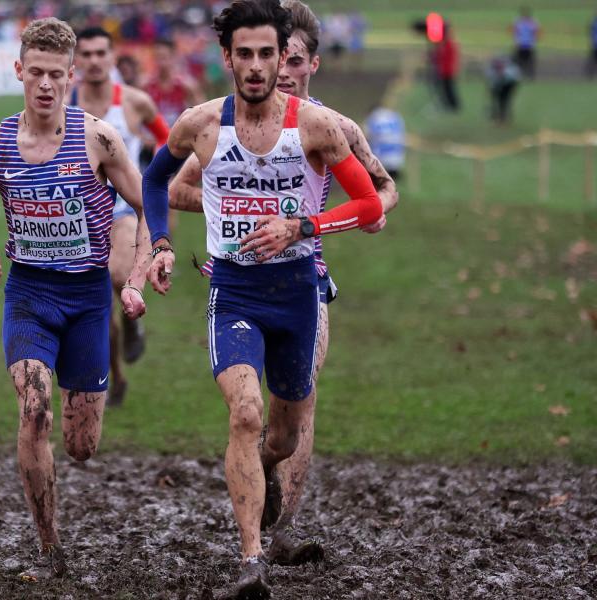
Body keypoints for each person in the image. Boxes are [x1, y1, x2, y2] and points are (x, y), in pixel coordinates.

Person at [142, 1, 385, 596]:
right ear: (226, 58)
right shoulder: (200, 124)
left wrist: (302, 226)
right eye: (244, 54)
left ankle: (266, 473)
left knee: (283, 436)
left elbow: (370, 205)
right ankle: (251, 563)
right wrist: (163, 244)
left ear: (284, 59)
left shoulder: (316, 129)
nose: (255, 66)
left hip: (298, 292)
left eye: (266, 55)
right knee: (245, 413)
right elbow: (153, 181)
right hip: (235, 291)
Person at [0, 17, 151, 581]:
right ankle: (48, 545)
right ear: (19, 71)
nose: (44, 85)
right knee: (33, 414)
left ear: (71, 76)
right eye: (34, 72)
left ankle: (78, 436)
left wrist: (137, 274)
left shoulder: (99, 139)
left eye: (55, 75)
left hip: (87, 301)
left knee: (81, 444)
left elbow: (147, 206)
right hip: (29, 295)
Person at [66, 26, 171, 406]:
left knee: (116, 275)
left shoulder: (134, 102)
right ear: (77, 62)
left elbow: (168, 141)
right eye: (87, 54)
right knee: (94, 310)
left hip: (123, 210)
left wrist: (157, 184)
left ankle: (131, 324)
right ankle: (116, 373)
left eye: (101, 53)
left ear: (113, 58)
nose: (94, 61)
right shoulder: (63, 102)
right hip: (75, 220)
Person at [144, 37, 205, 126]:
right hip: (156, 138)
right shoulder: (146, 85)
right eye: (157, 58)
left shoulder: (187, 85)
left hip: (180, 136)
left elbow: (203, 114)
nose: (160, 62)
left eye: (163, 57)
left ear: (173, 57)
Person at [364, 104, 406, 178]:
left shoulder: (372, 118)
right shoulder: (394, 116)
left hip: (380, 160)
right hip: (397, 159)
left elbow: (366, 137)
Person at [485, 54, 521, 125]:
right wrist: (491, 89)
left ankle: (504, 117)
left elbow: (514, 80)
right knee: (496, 99)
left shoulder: (511, 71)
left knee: (504, 100)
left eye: (501, 66)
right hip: (498, 83)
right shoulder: (491, 71)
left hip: (509, 84)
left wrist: (502, 76)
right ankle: (497, 115)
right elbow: (491, 82)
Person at [434, 23, 460, 111]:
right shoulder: (447, 43)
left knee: (449, 89)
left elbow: (443, 56)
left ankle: (453, 105)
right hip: (446, 69)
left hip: (448, 70)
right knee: (447, 89)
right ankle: (450, 104)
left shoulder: (448, 43)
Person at [511, 7, 540, 79]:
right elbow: (536, 32)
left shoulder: (520, 22)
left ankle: (528, 75)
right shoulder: (531, 22)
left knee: (525, 61)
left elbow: (515, 31)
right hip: (524, 44)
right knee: (522, 61)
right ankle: (527, 75)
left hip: (526, 45)